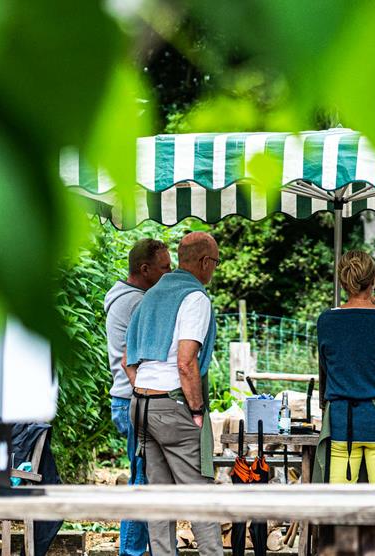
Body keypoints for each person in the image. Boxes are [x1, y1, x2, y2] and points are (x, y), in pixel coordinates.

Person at [124, 232, 222, 556]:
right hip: (172, 404)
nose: (215, 269)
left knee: (159, 500)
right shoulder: (195, 297)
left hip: (140, 405)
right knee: (200, 500)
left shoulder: (151, 294)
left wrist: (147, 390)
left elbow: (128, 359)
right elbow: (185, 361)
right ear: (206, 262)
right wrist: (195, 410)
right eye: (216, 263)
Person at [313, 250, 375, 555]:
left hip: (342, 422)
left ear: (343, 282)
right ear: (373, 281)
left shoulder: (327, 321)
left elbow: (326, 371)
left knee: (341, 511)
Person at [103, 238, 170, 556]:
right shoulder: (137, 303)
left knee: (144, 479)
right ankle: (130, 553)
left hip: (125, 399)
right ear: (145, 269)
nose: (169, 273)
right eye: (164, 268)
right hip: (135, 400)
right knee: (143, 483)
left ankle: (139, 550)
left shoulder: (124, 297)